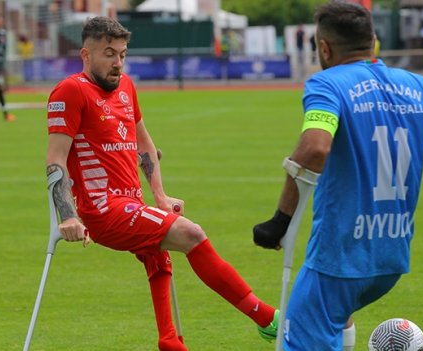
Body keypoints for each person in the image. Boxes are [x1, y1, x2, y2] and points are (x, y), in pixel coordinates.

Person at [252, 2, 423, 351]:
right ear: (373, 41)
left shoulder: (327, 86)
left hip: (339, 256)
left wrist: (281, 220)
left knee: (302, 335)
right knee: (339, 316)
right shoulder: (421, 87)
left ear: (324, 48)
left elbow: (314, 149)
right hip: (390, 260)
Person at [46, 16, 279, 351]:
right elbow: (55, 159)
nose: (118, 63)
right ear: (86, 54)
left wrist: (160, 195)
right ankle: (267, 319)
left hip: (131, 202)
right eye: (109, 54)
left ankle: (169, 339)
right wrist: (67, 215)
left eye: (123, 54)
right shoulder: (70, 91)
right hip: (102, 209)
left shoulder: (125, 86)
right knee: (191, 233)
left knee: (158, 255)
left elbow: (144, 145)